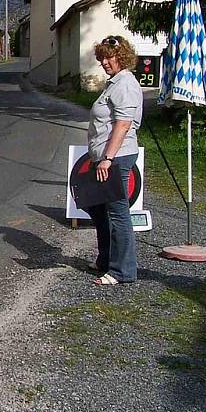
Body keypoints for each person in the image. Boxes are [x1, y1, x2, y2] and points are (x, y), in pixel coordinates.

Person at [85, 35, 142, 286]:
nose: (105, 62)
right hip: (105, 157)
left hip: (116, 157)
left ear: (122, 57)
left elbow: (123, 123)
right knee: (99, 209)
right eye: (102, 58)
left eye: (110, 57)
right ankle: (106, 260)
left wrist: (107, 158)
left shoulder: (125, 84)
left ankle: (122, 271)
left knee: (118, 213)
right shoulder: (113, 83)